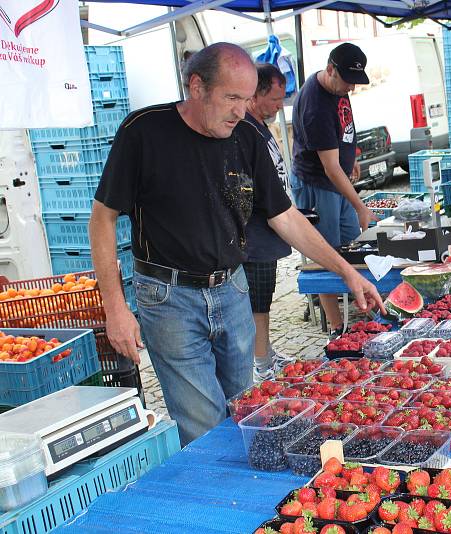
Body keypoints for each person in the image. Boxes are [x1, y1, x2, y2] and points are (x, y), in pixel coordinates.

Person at [89, 43, 385, 446]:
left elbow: (285, 216)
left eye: (246, 99)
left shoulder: (246, 135)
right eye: (231, 98)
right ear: (196, 86)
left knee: (246, 409)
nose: (240, 110)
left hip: (232, 288)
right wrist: (115, 308)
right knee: (204, 425)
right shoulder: (143, 132)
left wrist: (346, 271)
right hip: (168, 296)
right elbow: (102, 219)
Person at [290, 42, 377, 338]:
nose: (351, 88)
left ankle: (364, 313)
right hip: (318, 185)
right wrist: (360, 205)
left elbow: (344, 129)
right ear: (330, 70)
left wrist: (352, 155)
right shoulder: (314, 105)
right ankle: (337, 329)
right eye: (347, 82)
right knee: (325, 256)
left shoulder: (339, 87)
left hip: (337, 179)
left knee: (353, 248)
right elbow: (329, 168)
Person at [243, 63, 292, 380]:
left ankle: (266, 352)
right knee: (258, 306)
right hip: (257, 236)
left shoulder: (260, 125)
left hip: (271, 233)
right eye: (275, 99)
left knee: (265, 301)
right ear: (256, 94)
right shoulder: (246, 129)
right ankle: (261, 364)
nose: (279, 105)